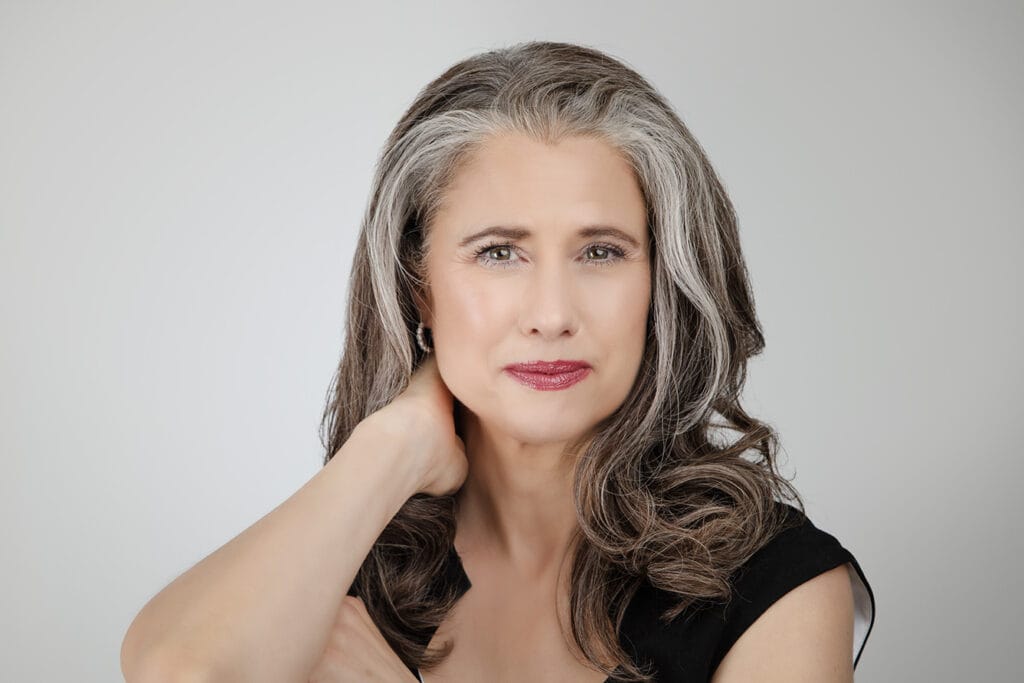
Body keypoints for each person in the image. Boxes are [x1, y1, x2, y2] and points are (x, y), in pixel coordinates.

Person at [121, 41, 875, 682]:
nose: (551, 313)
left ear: (660, 285)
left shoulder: (775, 584)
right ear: (420, 289)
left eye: (601, 251)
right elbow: (179, 671)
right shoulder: (346, 560)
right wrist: (393, 442)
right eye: (499, 252)